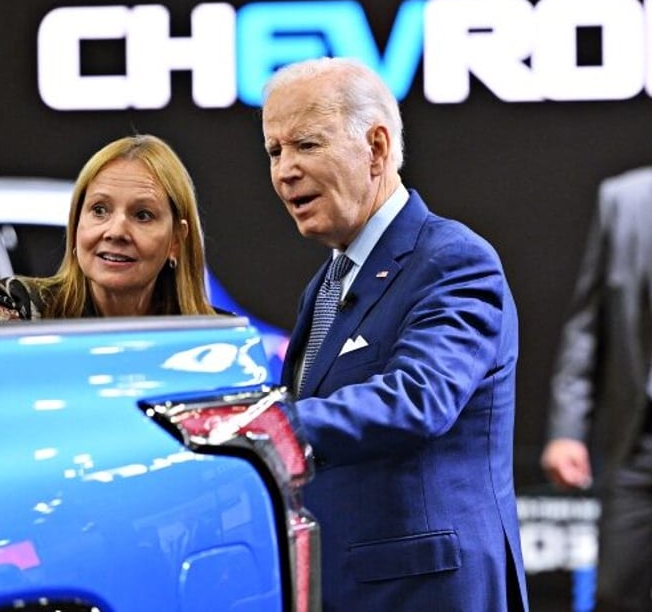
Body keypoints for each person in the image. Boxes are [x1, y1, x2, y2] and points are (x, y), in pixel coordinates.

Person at [260, 56, 528, 611]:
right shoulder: (328, 282)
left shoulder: (453, 260)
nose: (285, 169)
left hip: (428, 591)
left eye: (306, 145)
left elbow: (419, 397)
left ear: (376, 147)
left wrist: (265, 427)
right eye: (274, 151)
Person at [541, 166, 652, 611]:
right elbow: (587, 327)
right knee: (616, 593)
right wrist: (567, 429)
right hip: (640, 445)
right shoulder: (624, 200)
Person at [0, 134, 216, 320]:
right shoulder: (23, 309)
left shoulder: (219, 344)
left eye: (143, 215)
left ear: (176, 240)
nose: (116, 232)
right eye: (99, 210)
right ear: (76, 225)